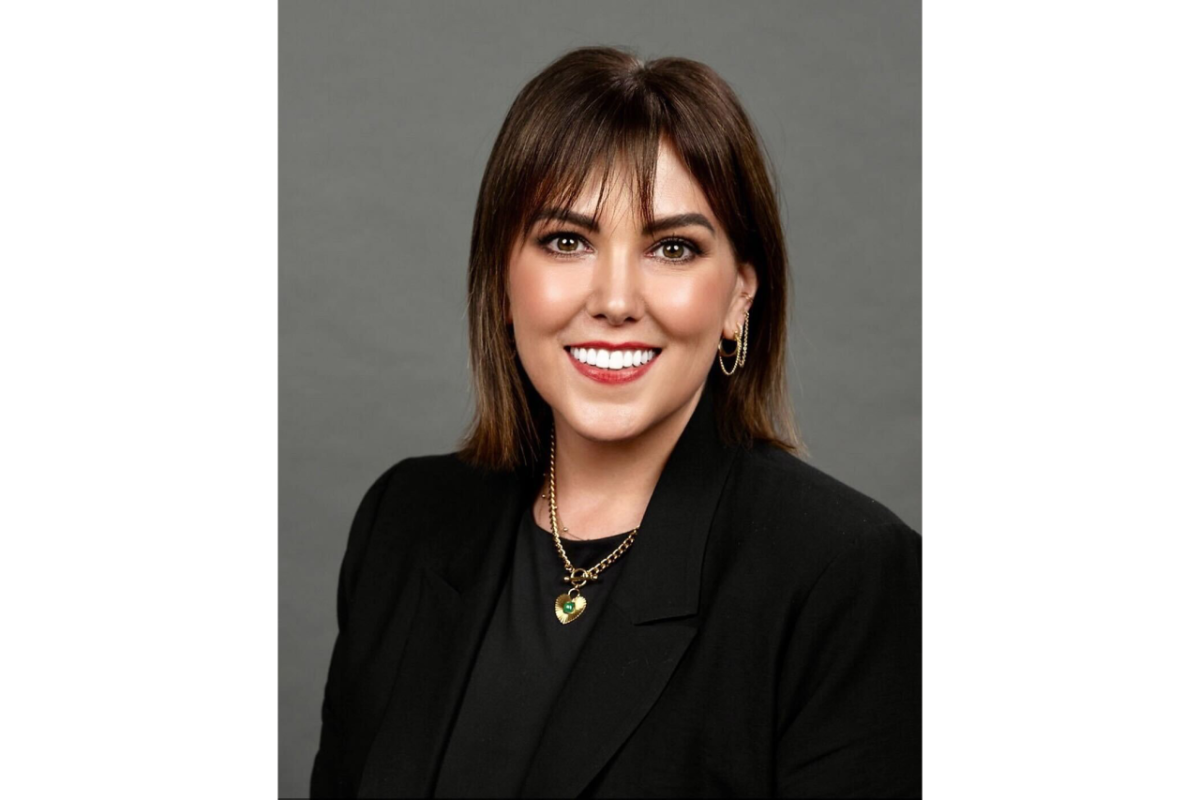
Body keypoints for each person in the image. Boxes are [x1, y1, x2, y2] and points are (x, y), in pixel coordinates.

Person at [311, 46, 922, 799]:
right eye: (567, 241)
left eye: (673, 248)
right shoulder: (403, 523)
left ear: (739, 297)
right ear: (503, 280)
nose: (616, 300)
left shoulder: (844, 578)